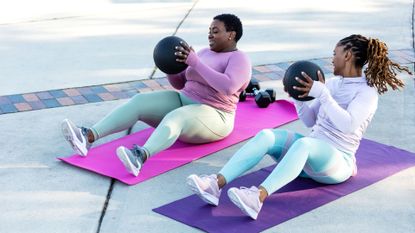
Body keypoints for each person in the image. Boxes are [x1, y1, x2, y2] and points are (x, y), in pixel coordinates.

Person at [186, 34, 412, 220]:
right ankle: (215, 184)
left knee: (305, 144)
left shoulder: (366, 92)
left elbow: (348, 125)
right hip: (308, 157)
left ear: (348, 55)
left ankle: (257, 197)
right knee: (266, 135)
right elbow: (312, 122)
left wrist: (323, 94)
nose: (332, 59)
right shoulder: (333, 84)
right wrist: (299, 99)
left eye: (335, 54)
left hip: (337, 162)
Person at [62, 13, 252, 177]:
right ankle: (87, 137)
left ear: (231, 35)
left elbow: (228, 86)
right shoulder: (203, 52)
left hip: (215, 114)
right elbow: (180, 83)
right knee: (140, 101)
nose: (210, 34)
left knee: (176, 117)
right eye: (209, 30)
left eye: (216, 30)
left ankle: (139, 157)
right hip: (184, 100)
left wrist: (195, 63)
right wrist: (170, 67)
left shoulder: (239, 58)